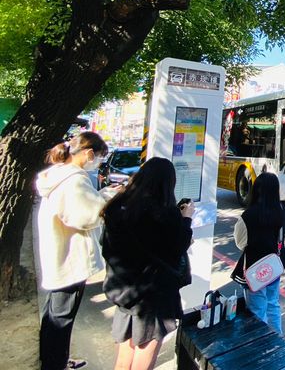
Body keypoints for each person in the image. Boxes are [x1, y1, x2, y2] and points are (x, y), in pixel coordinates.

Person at [101, 158, 194, 370]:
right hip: (153, 296)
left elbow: (107, 247)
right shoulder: (164, 213)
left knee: (125, 355)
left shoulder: (118, 207)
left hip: (124, 291)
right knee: (145, 356)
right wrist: (186, 219)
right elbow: (176, 248)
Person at [36, 132, 112, 370]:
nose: (98, 162)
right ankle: (55, 364)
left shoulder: (57, 176)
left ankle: (53, 359)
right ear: (89, 154)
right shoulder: (74, 180)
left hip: (58, 254)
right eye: (99, 157)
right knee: (61, 317)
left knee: (53, 315)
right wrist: (110, 195)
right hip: (69, 259)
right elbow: (88, 216)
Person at [233, 172, 285, 334]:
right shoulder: (280, 211)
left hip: (254, 269)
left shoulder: (248, 216)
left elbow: (240, 242)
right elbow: (280, 238)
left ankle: (261, 343)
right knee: (273, 304)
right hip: (274, 265)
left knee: (257, 309)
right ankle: (278, 337)